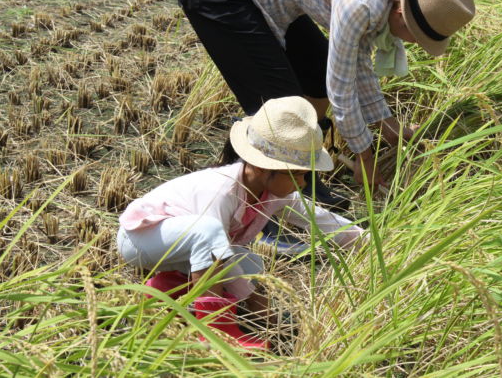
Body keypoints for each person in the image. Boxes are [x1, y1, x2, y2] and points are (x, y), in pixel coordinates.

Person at [177, 0, 475, 195]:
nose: (411, 42)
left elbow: (355, 64)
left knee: (317, 76)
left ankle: (302, 159)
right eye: (415, 36)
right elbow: (342, 89)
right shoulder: (360, 2)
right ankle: (271, 199)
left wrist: (388, 126)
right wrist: (365, 157)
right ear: (401, 12)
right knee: (282, 108)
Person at [116, 97, 365, 349]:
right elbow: (214, 248)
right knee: (212, 235)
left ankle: (167, 288)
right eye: (297, 174)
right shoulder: (222, 191)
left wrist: (362, 240)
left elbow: (316, 217)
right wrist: (256, 301)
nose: (302, 183)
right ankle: (216, 330)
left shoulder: (274, 195)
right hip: (141, 240)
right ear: (261, 167)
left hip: (178, 248)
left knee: (249, 261)